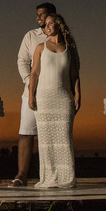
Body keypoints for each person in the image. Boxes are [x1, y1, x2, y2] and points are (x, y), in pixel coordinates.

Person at [28, 13, 80, 188]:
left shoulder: (69, 48)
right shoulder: (40, 47)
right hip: (44, 97)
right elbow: (34, 73)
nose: (47, 26)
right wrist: (31, 96)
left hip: (64, 97)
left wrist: (78, 94)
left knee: (64, 138)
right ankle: (49, 177)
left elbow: (74, 74)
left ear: (59, 25)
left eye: (50, 23)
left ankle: (66, 177)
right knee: (46, 141)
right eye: (46, 24)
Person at [12, 1, 54, 186]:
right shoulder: (31, 36)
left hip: (54, 92)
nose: (38, 18)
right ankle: (21, 175)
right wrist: (31, 84)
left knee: (52, 134)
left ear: (52, 15)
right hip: (32, 92)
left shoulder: (60, 36)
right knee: (26, 132)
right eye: (37, 15)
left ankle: (52, 175)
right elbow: (22, 61)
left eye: (42, 14)